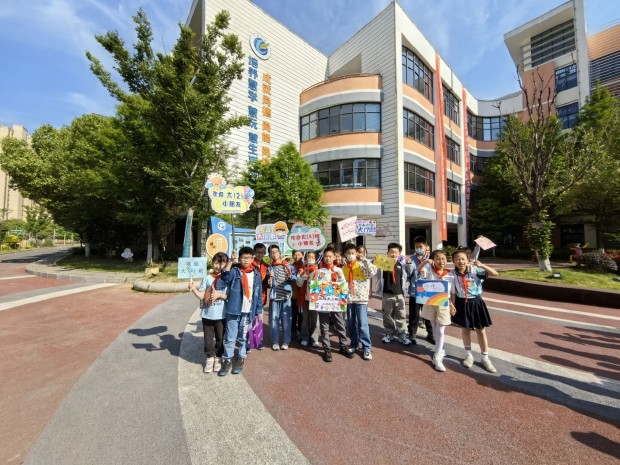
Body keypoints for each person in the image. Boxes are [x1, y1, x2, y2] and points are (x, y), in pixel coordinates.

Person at [450, 249, 499, 373]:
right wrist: (452, 305)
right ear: (453, 261)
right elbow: (452, 292)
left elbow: (495, 273)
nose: (460, 261)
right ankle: (469, 355)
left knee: (481, 330)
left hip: (476, 302)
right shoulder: (452, 274)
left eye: (463, 259)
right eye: (457, 259)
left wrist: (482, 265)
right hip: (462, 303)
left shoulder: (475, 270)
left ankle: (485, 358)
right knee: (465, 329)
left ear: (467, 260)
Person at [218, 247, 262, 376]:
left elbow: (258, 294)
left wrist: (258, 310)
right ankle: (227, 359)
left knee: (243, 337)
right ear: (239, 258)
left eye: (248, 258)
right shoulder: (235, 271)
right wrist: (231, 261)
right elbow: (225, 277)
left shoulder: (256, 274)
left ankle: (241, 357)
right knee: (230, 337)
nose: (246, 260)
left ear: (253, 258)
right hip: (234, 310)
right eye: (243, 258)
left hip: (248, 312)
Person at [188, 252, 228, 374]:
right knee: (208, 339)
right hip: (207, 315)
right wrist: (194, 289)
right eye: (216, 263)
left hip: (221, 315)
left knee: (220, 338)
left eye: (221, 263)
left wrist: (219, 295)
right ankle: (209, 358)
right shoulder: (207, 278)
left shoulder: (227, 279)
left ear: (226, 264)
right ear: (212, 263)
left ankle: (218, 357)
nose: (218, 266)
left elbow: (229, 297)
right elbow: (202, 296)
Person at [417, 250, 456, 372]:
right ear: (433, 260)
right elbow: (418, 269)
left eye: (443, 258)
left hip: (444, 304)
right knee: (434, 328)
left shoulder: (450, 274)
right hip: (431, 302)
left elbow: (452, 292)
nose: (441, 261)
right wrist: (425, 262)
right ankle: (440, 350)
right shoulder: (429, 271)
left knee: (440, 329)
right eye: (438, 259)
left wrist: (452, 305)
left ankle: (437, 357)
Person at [314, 247, 355, 362]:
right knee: (324, 326)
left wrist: (340, 281)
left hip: (336, 302)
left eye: (330, 256)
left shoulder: (338, 270)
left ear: (334, 257)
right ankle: (327, 349)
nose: (327, 258)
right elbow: (316, 286)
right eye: (325, 256)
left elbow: (343, 285)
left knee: (340, 324)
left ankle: (343, 346)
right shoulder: (320, 271)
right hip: (324, 302)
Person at [343, 243, 378, 360]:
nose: (351, 255)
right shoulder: (344, 268)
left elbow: (373, 272)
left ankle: (366, 347)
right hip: (349, 299)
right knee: (351, 323)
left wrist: (365, 259)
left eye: (353, 253)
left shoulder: (362, 265)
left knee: (362, 324)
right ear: (345, 254)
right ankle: (354, 344)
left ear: (356, 254)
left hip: (361, 299)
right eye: (348, 253)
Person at [376, 242, 412, 346]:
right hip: (387, 294)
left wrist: (409, 263)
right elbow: (374, 272)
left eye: (396, 252)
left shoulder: (402, 265)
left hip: (399, 294)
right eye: (391, 252)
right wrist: (375, 262)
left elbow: (410, 273)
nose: (393, 254)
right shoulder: (383, 264)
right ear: (387, 253)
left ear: (399, 253)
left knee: (401, 315)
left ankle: (402, 335)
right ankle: (389, 333)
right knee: (387, 315)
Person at [267, 244, 296, 350]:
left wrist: (291, 276)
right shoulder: (270, 268)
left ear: (280, 253)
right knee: (274, 320)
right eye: (272, 252)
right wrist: (269, 280)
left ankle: (285, 341)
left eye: (276, 252)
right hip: (275, 297)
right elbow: (268, 284)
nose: (274, 254)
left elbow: (294, 278)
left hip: (286, 297)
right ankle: (275, 341)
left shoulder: (288, 266)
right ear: (269, 255)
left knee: (286, 320)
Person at [405, 236, 433, 344]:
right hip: (415, 291)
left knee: (428, 314)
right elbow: (408, 274)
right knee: (414, 315)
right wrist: (408, 265)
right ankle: (412, 334)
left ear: (426, 247)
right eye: (416, 247)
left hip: (428, 291)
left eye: (420, 246)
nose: (418, 249)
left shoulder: (432, 258)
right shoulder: (411, 259)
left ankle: (430, 334)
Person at [296, 251, 320, 347]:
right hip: (304, 298)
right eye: (308, 257)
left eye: (312, 257)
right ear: (305, 258)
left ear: (315, 259)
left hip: (315, 299)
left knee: (315, 320)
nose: (310, 259)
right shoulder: (302, 270)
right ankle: (305, 337)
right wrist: (303, 277)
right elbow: (298, 284)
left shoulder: (318, 270)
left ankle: (314, 338)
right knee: (304, 320)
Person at [251, 243, 269, 350]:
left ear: (265, 253)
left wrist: (269, 280)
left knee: (259, 320)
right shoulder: (249, 264)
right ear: (254, 252)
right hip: (249, 297)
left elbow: (267, 283)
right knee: (249, 320)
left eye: (262, 252)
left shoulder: (267, 266)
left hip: (261, 297)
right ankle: (250, 341)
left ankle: (258, 341)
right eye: (258, 252)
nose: (260, 254)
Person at [291, 250, 305, 342]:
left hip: (302, 295)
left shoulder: (305, 266)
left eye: (299, 254)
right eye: (295, 255)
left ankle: (300, 332)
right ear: (292, 256)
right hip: (293, 294)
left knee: (301, 315)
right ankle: (293, 331)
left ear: (303, 255)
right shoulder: (290, 267)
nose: (297, 256)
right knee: (293, 314)